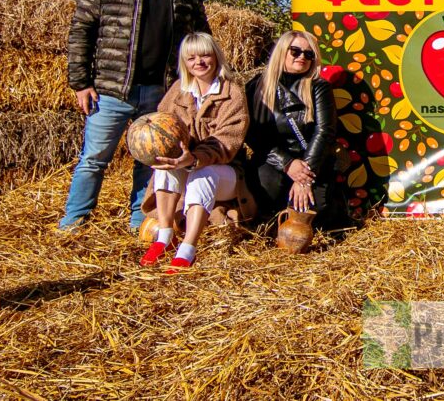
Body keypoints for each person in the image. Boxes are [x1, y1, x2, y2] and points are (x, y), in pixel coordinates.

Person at [61, 0, 210, 231]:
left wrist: (198, 87)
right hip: (112, 90)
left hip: (162, 92)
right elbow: (81, 32)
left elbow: (202, 41)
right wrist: (81, 82)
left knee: (152, 161)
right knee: (94, 159)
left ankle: (139, 223)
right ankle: (74, 223)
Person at [139, 33, 249, 272]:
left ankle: (188, 248)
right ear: (185, 63)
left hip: (224, 170)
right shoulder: (178, 90)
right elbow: (162, 124)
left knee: (203, 173)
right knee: (165, 168)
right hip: (185, 163)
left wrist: (195, 158)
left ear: (216, 57)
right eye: (192, 58)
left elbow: (227, 140)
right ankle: (165, 236)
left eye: (205, 55)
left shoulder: (233, 93)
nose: (199, 62)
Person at [245, 30, 345, 234]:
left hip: (312, 159)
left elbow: (325, 131)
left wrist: (304, 177)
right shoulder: (256, 86)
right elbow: (253, 134)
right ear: (282, 52)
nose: (302, 57)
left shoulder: (319, 87)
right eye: (295, 51)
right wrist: (287, 164)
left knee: (314, 210)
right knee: (266, 189)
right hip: (274, 158)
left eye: (309, 54)